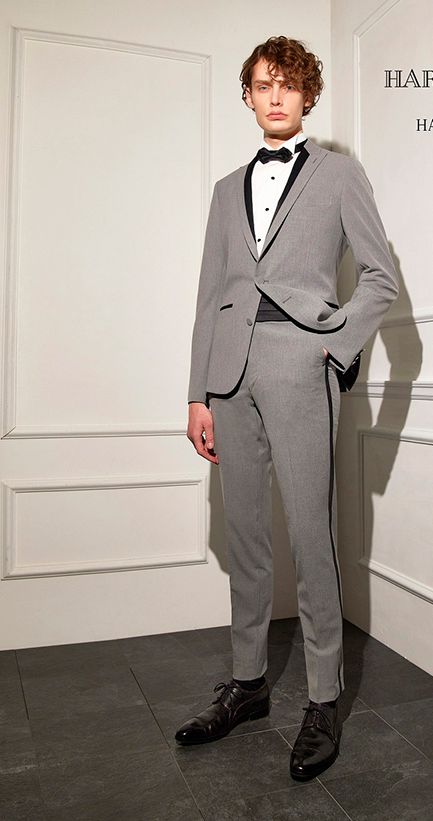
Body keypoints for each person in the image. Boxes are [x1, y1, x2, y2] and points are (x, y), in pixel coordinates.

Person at [175, 36, 398, 781]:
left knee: (310, 536)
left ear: (308, 96)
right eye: (263, 85)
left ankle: (323, 700)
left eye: (289, 85)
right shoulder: (223, 191)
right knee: (243, 535)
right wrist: (197, 393)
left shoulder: (340, 175)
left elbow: (379, 277)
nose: (276, 96)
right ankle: (247, 685)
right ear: (247, 96)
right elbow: (209, 297)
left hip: (301, 365)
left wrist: (332, 346)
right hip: (230, 374)